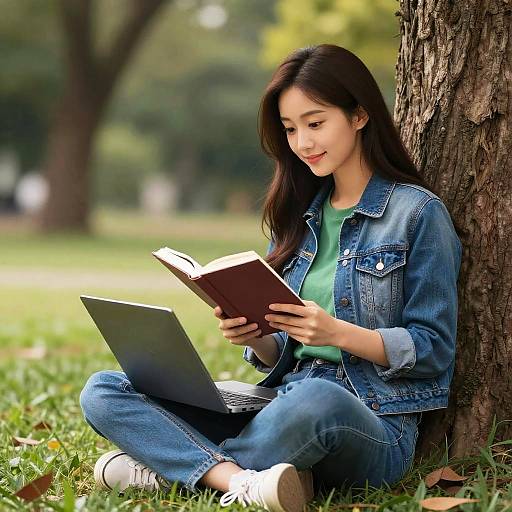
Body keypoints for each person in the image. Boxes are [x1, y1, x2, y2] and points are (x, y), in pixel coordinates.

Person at [79, 44, 462, 512]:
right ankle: (243, 480)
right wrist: (258, 337)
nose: (302, 143)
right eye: (290, 129)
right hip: (278, 403)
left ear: (359, 115)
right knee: (104, 389)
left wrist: (338, 333)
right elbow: (280, 354)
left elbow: (434, 347)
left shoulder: (418, 214)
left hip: (372, 423)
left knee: (318, 400)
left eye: (315, 123)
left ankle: (169, 473)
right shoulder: (298, 219)